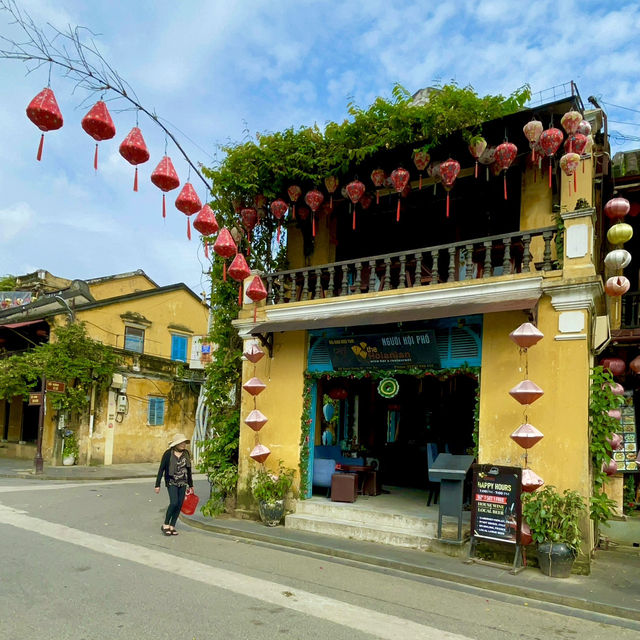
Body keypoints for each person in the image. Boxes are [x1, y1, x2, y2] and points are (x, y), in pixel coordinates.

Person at [154, 433, 194, 536]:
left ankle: (172, 526)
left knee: (179, 504)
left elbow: (188, 470)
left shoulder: (186, 453)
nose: (183, 445)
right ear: (176, 444)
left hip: (183, 482)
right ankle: (165, 524)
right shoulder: (168, 454)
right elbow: (161, 469)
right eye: (181, 443)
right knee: (174, 502)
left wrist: (191, 485)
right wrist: (157, 484)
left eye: (184, 443)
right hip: (171, 481)